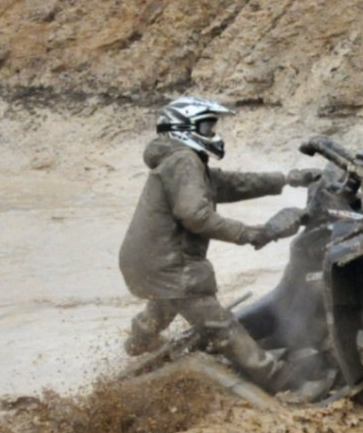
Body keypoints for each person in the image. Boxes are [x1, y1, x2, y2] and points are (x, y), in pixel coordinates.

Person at [118, 96, 320, 393]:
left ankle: (139, 344)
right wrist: (250, 233)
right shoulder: (183, 160)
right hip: (170, 264)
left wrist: (286, 179)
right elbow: (195, 216)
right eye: (207, 127)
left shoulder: (179, 161)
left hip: (146, 262)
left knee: (164, 306)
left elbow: (230, 183)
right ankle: (285, 385)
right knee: (223, 327)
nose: (213, 133)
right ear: (184, 128)